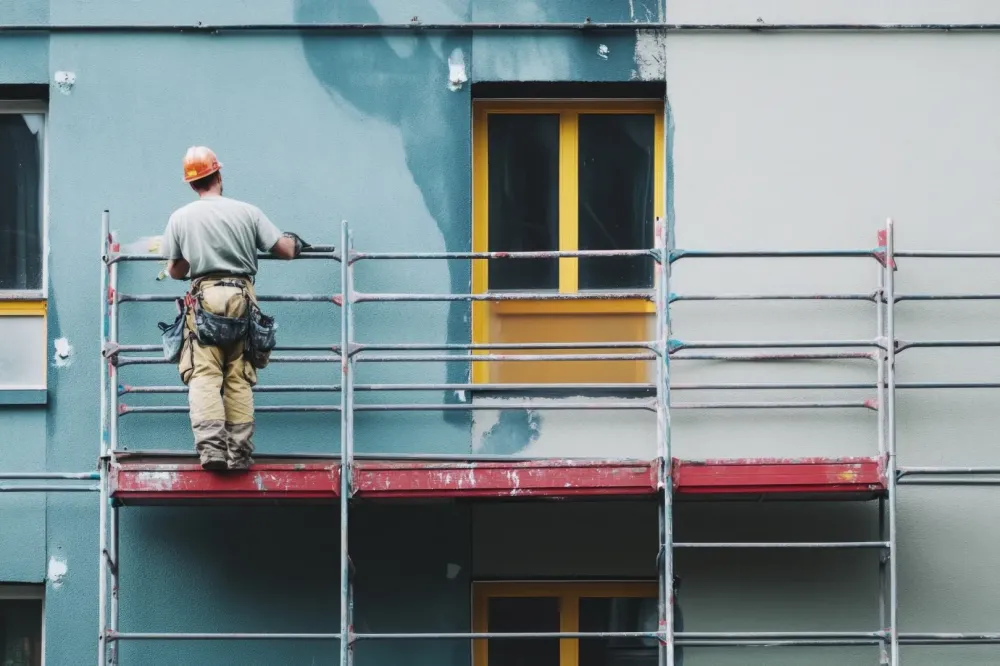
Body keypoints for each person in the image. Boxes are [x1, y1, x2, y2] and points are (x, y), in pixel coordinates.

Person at [161, 146, 307, 471]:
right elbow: (283, 250)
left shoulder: (180, 217)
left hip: (205, 298)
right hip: (242, 297)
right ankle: (239, 454)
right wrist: (297, 243)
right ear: (219, 174)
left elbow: (175, 271)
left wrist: (195, 253)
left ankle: (212, 451)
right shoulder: (247, 212)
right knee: (239, 377)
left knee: (205, 375)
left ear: (191, 183)